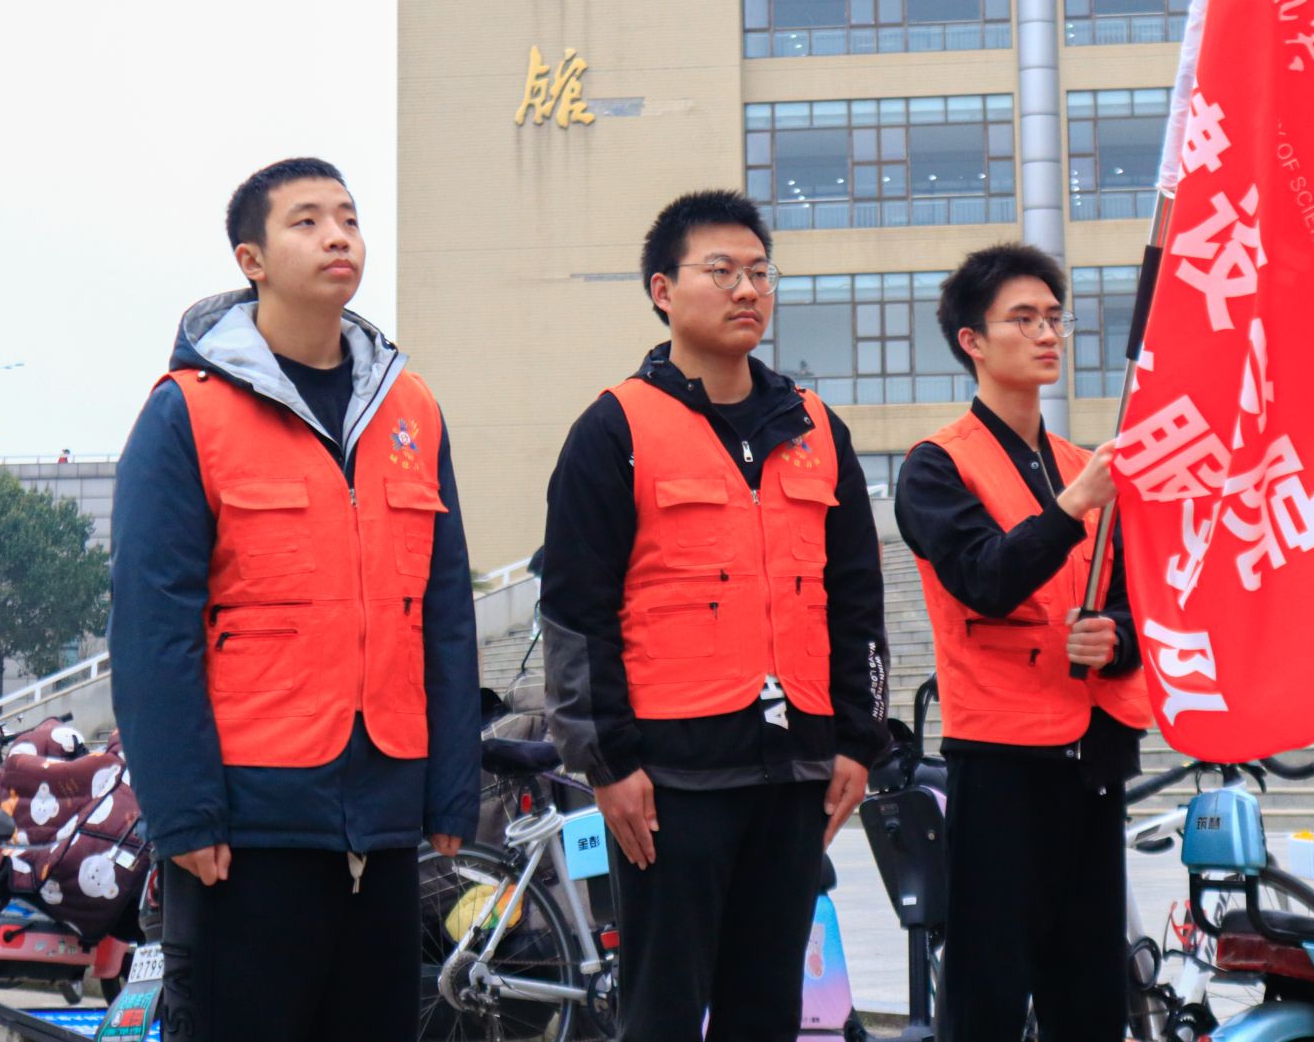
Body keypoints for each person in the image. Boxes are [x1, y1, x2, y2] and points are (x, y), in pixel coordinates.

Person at [109, 156, 479, 1041]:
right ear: (253, 260)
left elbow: (443, 610)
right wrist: (183, 812)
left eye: (348, 218)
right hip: (247, 821)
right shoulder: (187, 411)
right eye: (306, 221)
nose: (337, 236)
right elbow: (153, 628)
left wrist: (450, 789)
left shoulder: (410, 409)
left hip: (384, 813)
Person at [541, 189, 890, 1042]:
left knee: (768, 1011)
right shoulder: (615, 428)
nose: (747, 290)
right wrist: (608, 763)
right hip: (670, 781)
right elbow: (576, 611)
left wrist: (858, 740)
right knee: (661, 1012)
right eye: (723, 270)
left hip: (795, 770)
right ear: (662, 290)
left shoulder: (817, 429)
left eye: (761, 273)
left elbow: (857, 599)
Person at [894, 241, 1151, 1042]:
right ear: (971, 339)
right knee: (987, 994)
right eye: (1023, 318)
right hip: (1000, 759)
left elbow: (1135, 611)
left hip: (1092, 757)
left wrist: (1112, 639)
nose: (1047, 333)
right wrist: (1072, 506)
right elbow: (984, 578)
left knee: (1091, 995)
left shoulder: (1081, 465)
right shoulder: (936, 466)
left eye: (1053, 317)